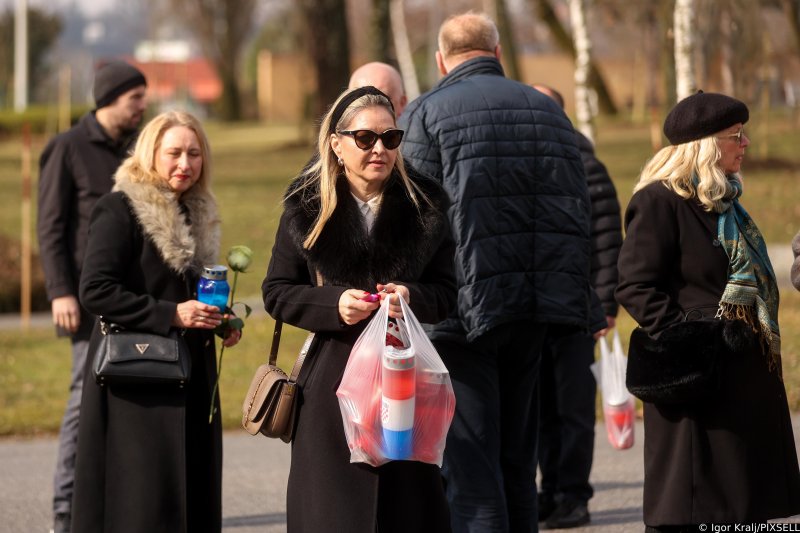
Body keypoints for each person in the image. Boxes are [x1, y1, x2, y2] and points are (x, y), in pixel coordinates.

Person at [398, 12, 593, 533]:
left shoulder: (427, 113)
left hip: (462, 311)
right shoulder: (551, 114)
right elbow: (578, 211)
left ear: (441, 59)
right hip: (535, 307)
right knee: (515, 463)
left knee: (473, 471)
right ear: (498, 52)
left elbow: (414, 220)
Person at [262, 86, 456, 533]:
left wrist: (411, 296)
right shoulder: (307, 205)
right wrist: (334, 303)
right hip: (332, 383)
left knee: (406, 511)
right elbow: (277, 292)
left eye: (390, 138)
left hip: (405, 380)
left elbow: (447, 293)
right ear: (337, 143)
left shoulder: (425, 205)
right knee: (334, 514)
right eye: (365, 138)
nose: (379, 149)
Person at [615, 91, 800, 529]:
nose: (746, 143)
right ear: (705, 145)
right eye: (736, 136)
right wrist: (694, 338)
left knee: (741, 509)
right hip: (697, 385)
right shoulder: (660, 201)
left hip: (740, 383)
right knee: (695, 508)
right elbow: (634, 286)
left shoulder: (726, 204)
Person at [71, 111, 241, 533]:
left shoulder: (197, 211)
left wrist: (221, 319)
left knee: (192, 494)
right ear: (151, 154)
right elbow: (96, 291)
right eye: (175, 153)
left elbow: (187, 288)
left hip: (192, 376)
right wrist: (171, 315)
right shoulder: (119, 209)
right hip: (137, 381)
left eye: (194, 153)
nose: (185, 163)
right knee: (142, 505)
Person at [36, 59, 147, 533]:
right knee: (83, 400)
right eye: (134, 98)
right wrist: (61, 290)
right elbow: (51, 225)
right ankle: (66, 506)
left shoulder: (139, 150)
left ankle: (118, 499)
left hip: (136, 299)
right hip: (87, 299)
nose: (142, 106)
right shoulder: (67, 148)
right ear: (109, 99)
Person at [530, 84, 623, 529]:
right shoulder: (527, 161)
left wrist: (605, 304)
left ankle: (573, 494)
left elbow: (607, 240)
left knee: (571, 410)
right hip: (534, 311)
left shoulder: (585, 163)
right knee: (540, 407)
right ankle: (548, 493)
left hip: (574, 310)